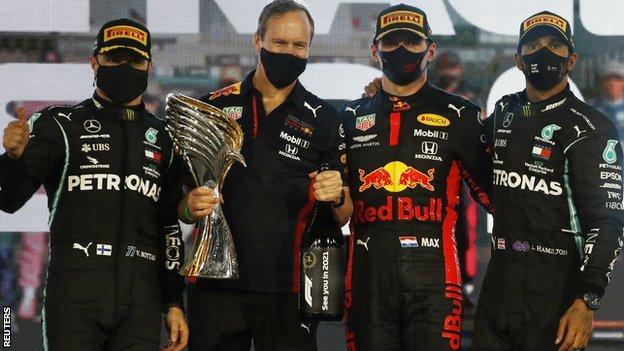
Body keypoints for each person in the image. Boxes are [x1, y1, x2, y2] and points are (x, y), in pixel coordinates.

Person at [0, 18, 188, 351]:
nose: (125, 67)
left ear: (149, 66)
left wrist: (174, 302)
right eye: (115, 59)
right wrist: (12, 158)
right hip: (74, 293)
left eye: (135, 61)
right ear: (94, 63)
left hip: (141, 298)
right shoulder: (60, 124)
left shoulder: (165, 138)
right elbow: (9, 199)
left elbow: (168, 226)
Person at [179, 1, 352, 350]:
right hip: (215, 284)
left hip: (289, 287)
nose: (290, 52)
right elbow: (180, 205)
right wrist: (189, 206)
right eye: (280, 43)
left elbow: (344, 211)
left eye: (299, 45)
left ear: (308, 48)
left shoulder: (326, 119)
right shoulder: (213, 108)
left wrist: (335, 194)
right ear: (258, 41)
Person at [340, 4, 493, 350]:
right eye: (391, 43)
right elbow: (336, 207)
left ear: (431, 50)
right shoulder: (350, 118)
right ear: (375, 50)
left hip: (436, 282)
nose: (402, 51)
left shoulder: (461, 116)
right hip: (367, 283)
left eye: (411, 42)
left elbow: (498, 198)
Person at [473, 11, 624, 351]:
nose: (544, 53)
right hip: (498, 282)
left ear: (571, 60)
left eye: (555, 46)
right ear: (518, 60)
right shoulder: (504, 113)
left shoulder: (591, 126)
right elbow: (458, 146)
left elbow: (608, 220)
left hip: (556, 288)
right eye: (534, 46)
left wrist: (587, 300)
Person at [591, 59, 624, 140]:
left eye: (618, 79)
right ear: (601, 82)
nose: (612, 83)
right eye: (607, 79)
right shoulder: (589, 108)